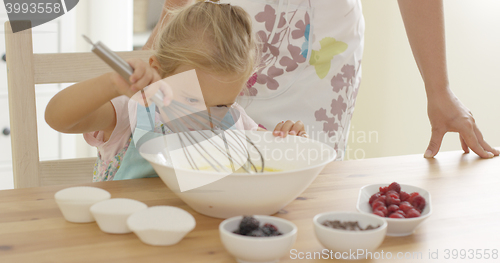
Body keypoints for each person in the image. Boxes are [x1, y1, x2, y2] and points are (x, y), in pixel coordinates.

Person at [144, 0, 499, 160]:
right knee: (208, 169)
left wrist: (439, 89)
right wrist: (159, 45)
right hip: (224, 41)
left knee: (307, 179)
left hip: (323, 50)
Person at [45, 1, 307, 182]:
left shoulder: (234, 120)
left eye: (221, 105)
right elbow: (58, 118)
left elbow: (275, 160)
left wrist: (289, 138)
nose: (205, 118)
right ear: (159, 71)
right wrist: (112, 84)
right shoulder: (135, 110)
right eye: (191, 99)